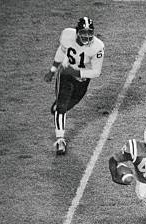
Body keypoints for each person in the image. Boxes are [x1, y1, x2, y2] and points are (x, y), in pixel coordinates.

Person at [44, 17, 105, 155]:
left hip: (82, 81)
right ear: (77, 32)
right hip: (65, 76)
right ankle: (60, 140)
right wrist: (52, 70)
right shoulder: (67, 35)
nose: (87, 36)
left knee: (61, 108)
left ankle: (59, 111)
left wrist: (75, 71)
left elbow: (96, 72)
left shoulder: (98, 47)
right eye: (83, 32)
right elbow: (62, 50)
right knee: (61, 106)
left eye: (90, 32)